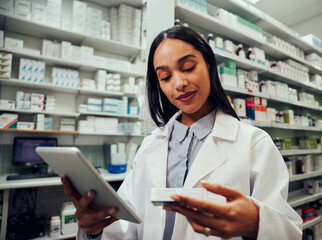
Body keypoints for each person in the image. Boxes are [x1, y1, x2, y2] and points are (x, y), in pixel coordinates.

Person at [61, 26, 302, 240]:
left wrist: (256, 224)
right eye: (165, 77)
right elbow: (127, 225)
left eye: (187, 67)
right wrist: (96, 230)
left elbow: (288, 231)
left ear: (208, 64)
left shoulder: (254, 143)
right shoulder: (149, 146)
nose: (178, 83)